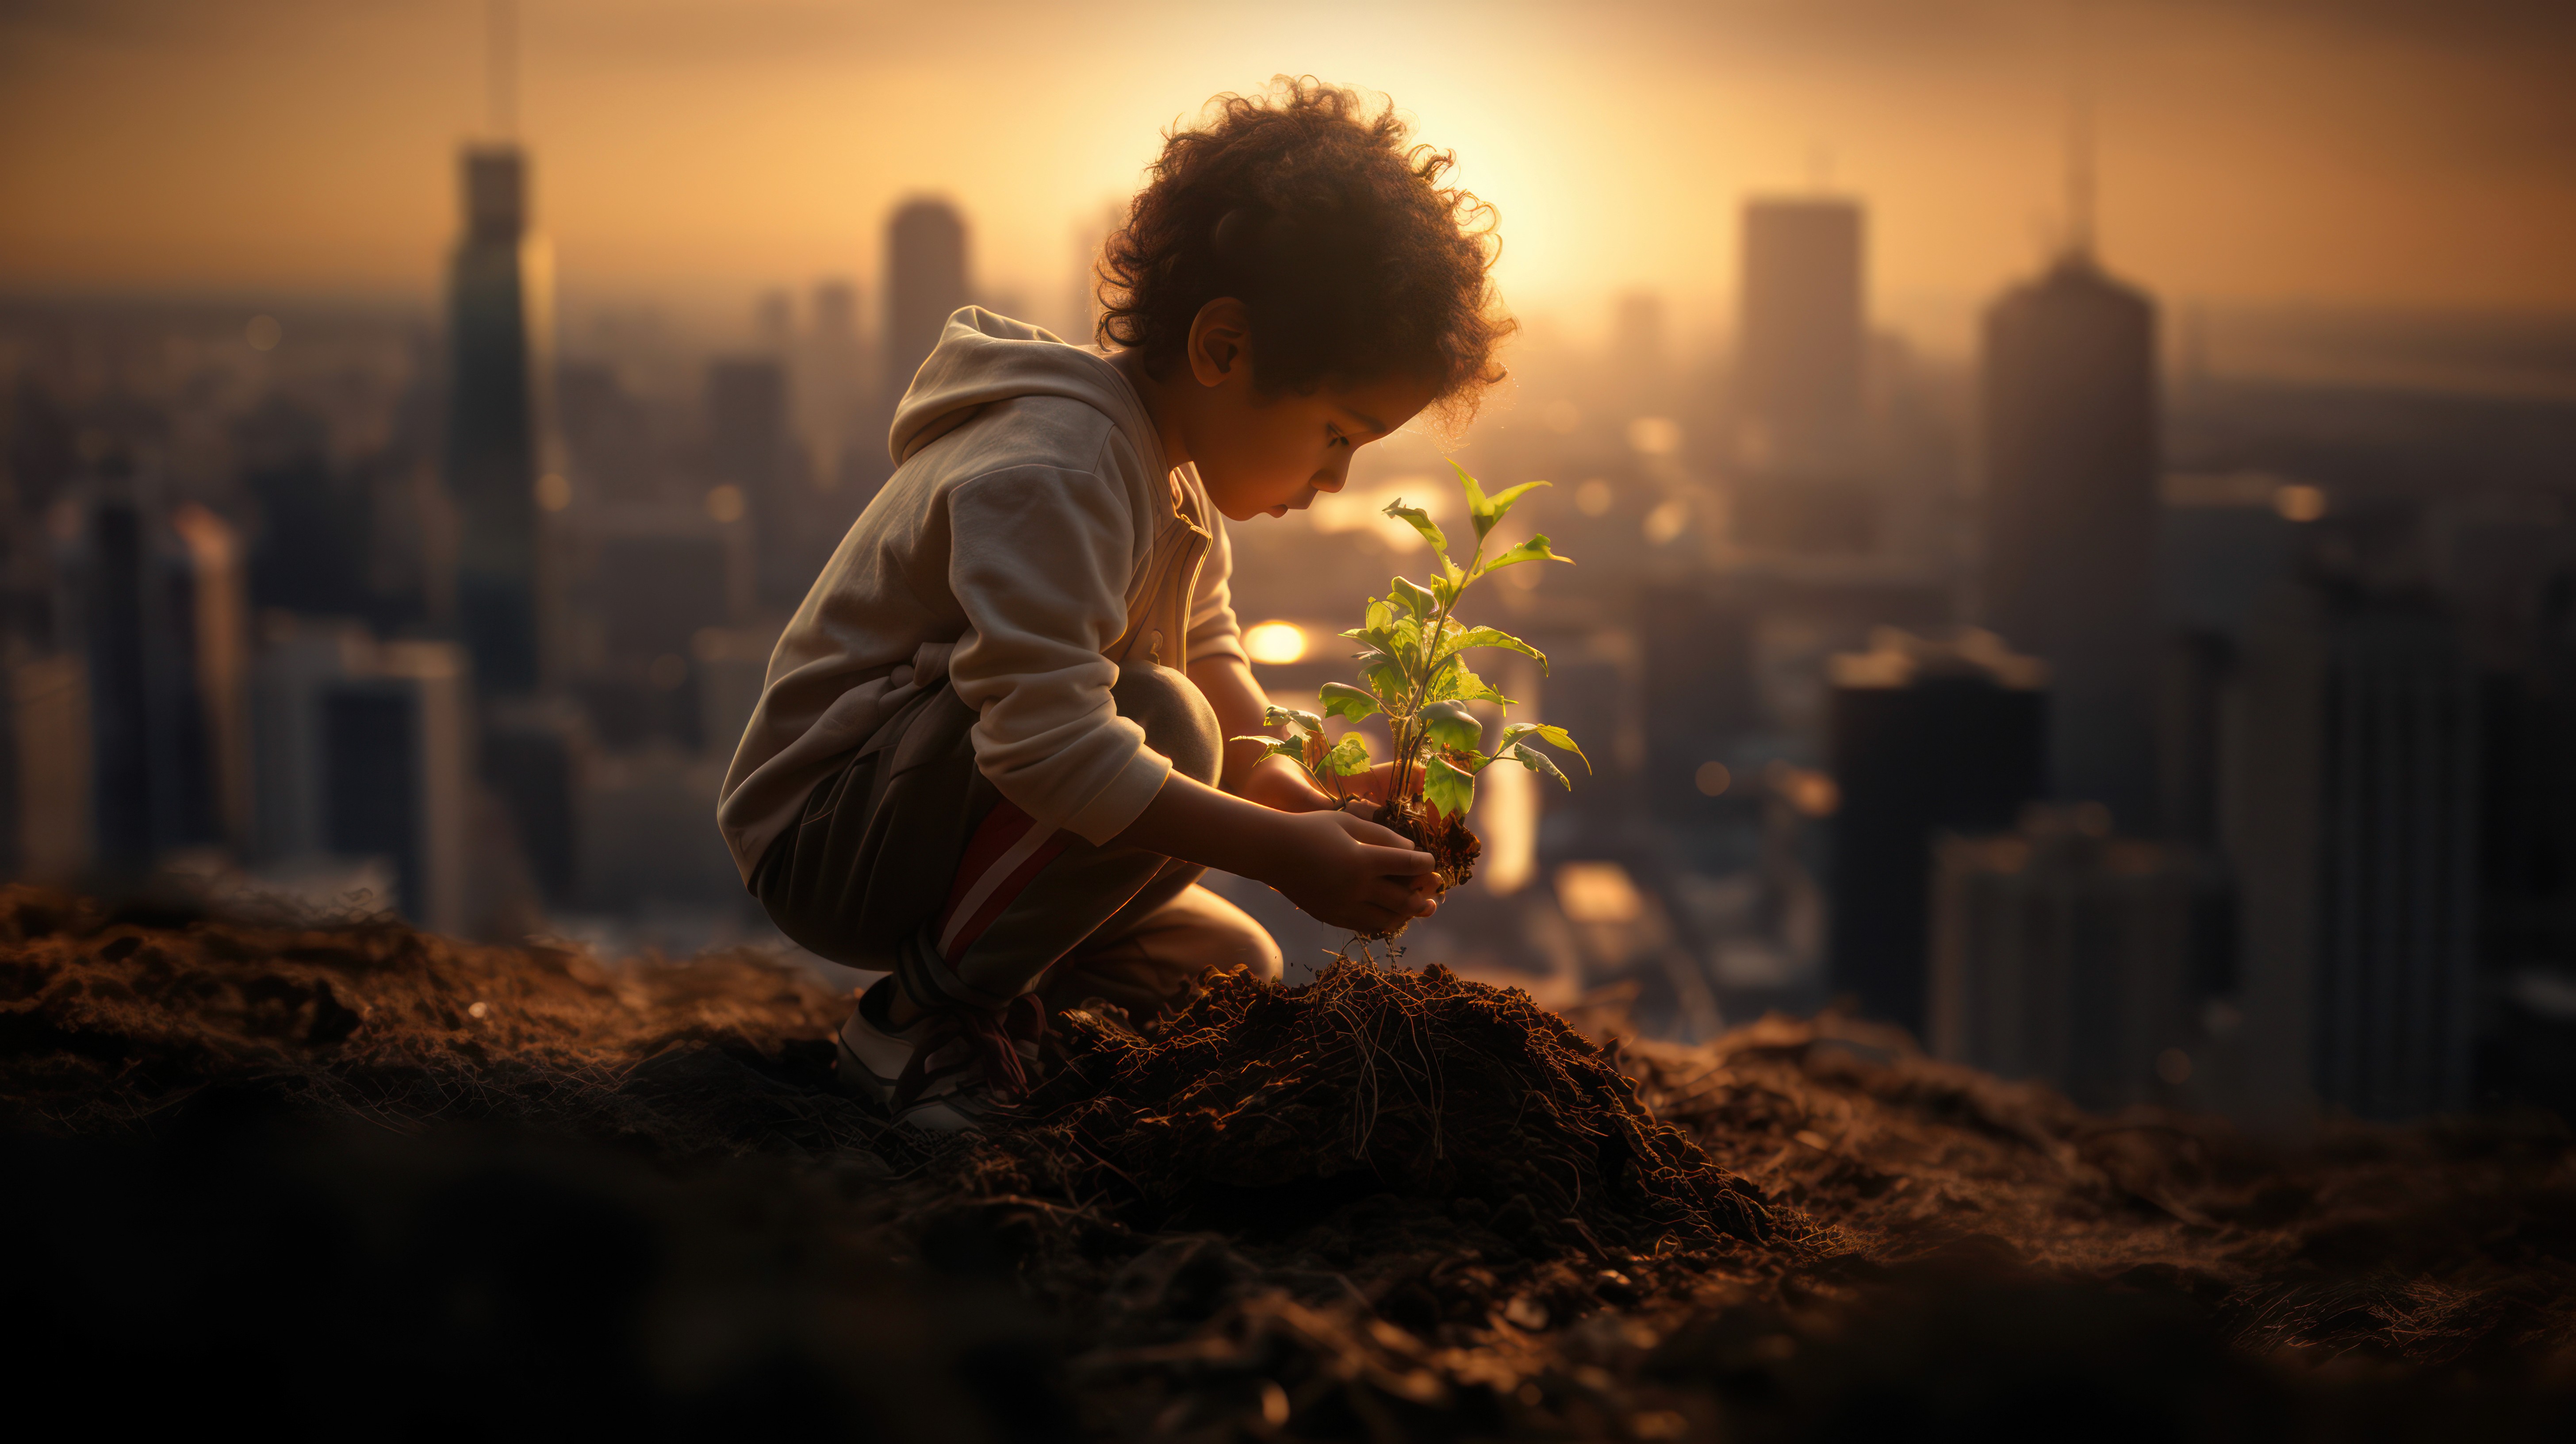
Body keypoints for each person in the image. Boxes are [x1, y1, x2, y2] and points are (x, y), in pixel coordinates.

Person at [717, 78, 1513, 1130]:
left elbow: (1217, 658)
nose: (1335, 482)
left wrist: (1291, 795)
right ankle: (911, 1026)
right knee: (1162, 720)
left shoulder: (1167, 474)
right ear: (1222, 349)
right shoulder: (1058, 465)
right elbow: (1047, 742)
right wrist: (1278, 855)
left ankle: (1001, 1014)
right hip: (832, 838)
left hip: (942, 820)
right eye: (1338, 434)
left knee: (1227, 962)